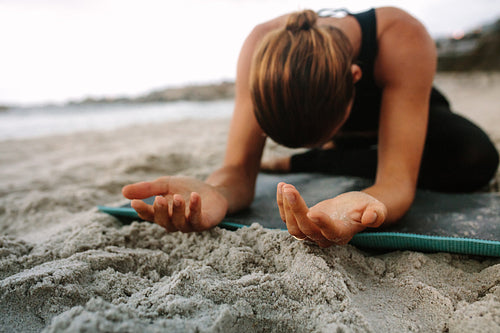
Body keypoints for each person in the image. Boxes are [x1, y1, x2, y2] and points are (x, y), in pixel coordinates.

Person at [122, 7, 499, 247]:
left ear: (356, 77)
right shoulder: (257, 49)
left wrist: (371, 201)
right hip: (340, 135)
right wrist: (215, 192)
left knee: (474, 157)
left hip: (412, 118)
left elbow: (397, 182)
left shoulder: (399, 36)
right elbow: (238, 169)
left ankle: (307, 161)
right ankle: (318, 157)